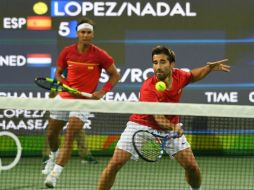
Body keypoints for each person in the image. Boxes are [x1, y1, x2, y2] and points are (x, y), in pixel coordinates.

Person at [96, 45, 230, 190]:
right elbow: (157, 117)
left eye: (162, 62)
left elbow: (192, 76)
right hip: (141, 126)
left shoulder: (179, 76)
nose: (158, 67)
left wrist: (208, 68)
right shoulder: (148, 87)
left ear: (172, 64)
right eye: (155, 63)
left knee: (192, 167)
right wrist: (174, 127)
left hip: (169, 129)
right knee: (115, 164)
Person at [43, 18, 120, 188]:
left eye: (88, 32)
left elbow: (115, 75)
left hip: (84, 102)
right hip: (64, 98)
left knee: (70, 135)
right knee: (51, 133)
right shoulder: (67, 52)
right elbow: (58, 73)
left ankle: (55, 175)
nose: (85, 35)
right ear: (77, 34)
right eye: (82, 32)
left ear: (92, 35)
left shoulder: (100, 54)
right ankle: (53, 156)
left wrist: (102, 91)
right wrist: (63, 83)